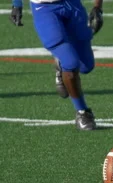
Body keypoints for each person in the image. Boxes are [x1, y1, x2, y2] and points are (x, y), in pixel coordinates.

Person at [9, 0, 104, 130]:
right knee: (71, 63)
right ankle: (82, 112)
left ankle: (60, 62)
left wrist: (98, 7)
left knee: (86, 66)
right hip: (44, 8)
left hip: (73, 5)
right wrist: (17, 4)